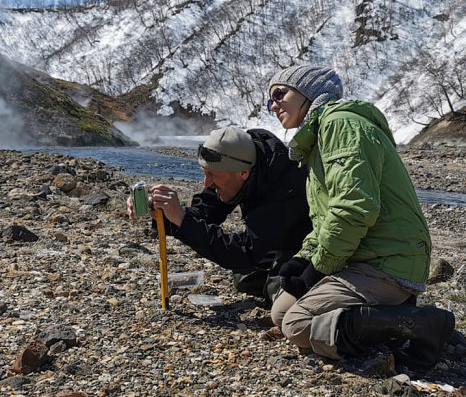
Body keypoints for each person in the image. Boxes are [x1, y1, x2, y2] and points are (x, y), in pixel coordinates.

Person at [267, 65, 455, 370]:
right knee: (280, 312)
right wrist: (304, 259)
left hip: (389, 260)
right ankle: (387, 314)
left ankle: (417, 324)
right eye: (269, 100)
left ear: (308, 92)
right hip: (362, 256)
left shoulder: (340, 126)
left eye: (279, 94)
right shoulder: (317, 139)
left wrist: (317, 269)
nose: (273, 105)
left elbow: (354, 209)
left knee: (298, 324)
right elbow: (327, 217)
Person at [127, 127, 311, 305]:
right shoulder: (240, 163)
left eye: (212, 175)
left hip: (307, 246)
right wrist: (163, 212)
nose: (207, 183)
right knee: (244, 277)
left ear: (243, 173)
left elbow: (245, 251)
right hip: (271, 240)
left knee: (273, 286)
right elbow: (205, 212)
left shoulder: (286, 187)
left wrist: (183, 220)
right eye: (204, 173)